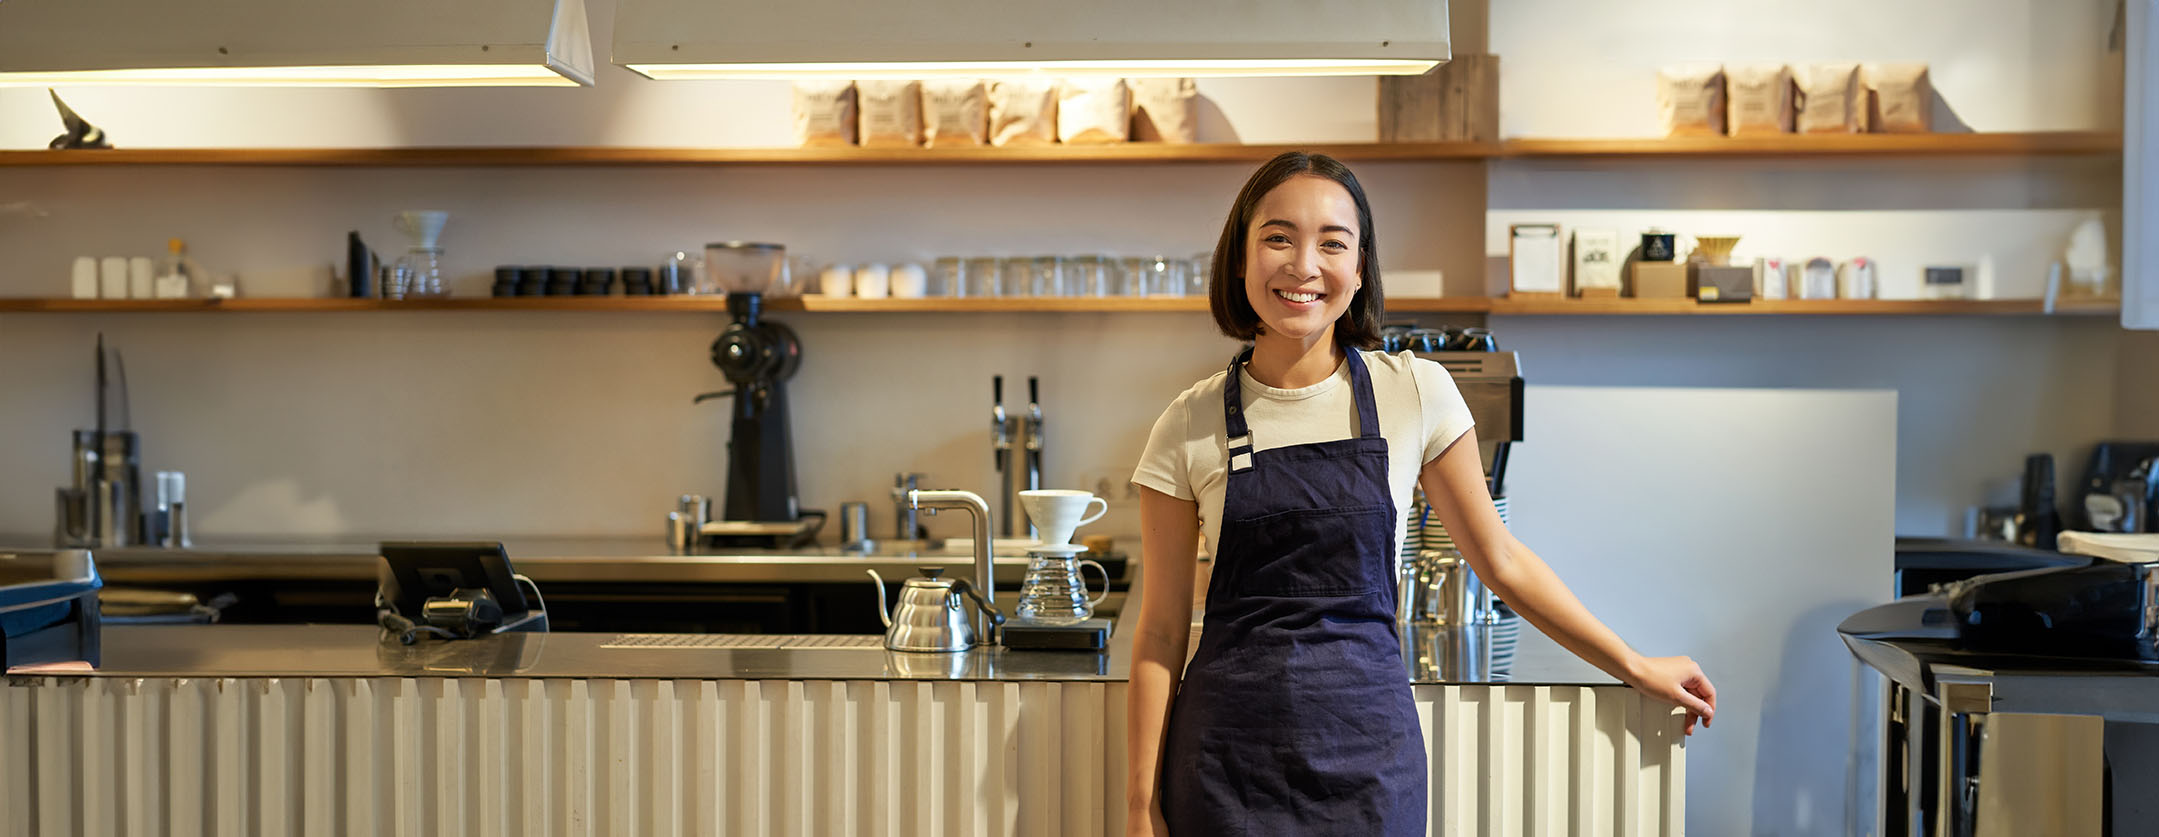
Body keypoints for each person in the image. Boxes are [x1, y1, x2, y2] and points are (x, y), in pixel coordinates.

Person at [1123, 151, 1718, 836]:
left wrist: (1633, 663)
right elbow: (1161, 630)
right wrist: (1140, 805)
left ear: (1359, 265)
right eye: (1278, 237)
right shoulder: (1187, 421)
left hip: (1370, 762)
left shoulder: (1414, 390)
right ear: (1239, 256)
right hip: (1225, 764)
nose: (1303, 264)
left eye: (1332, 243)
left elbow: (1500, 560)